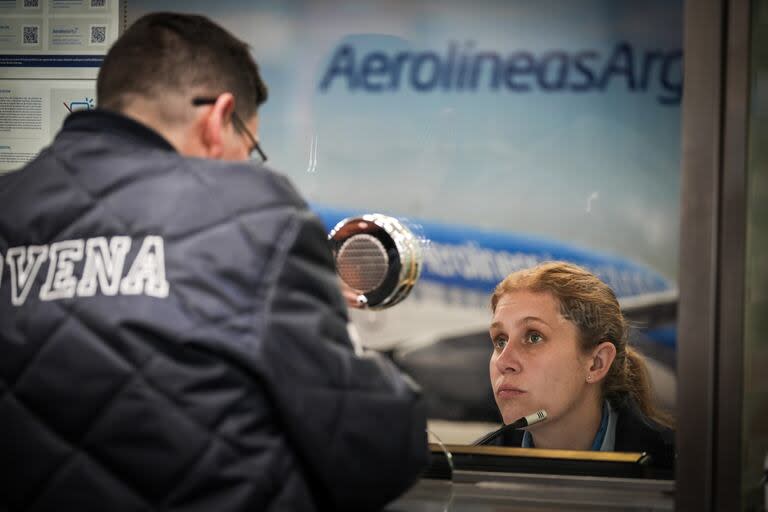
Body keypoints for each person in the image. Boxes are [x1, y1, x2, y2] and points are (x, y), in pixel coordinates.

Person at [0, 12, 427, 512]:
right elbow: (372, 449)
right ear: (216, 117)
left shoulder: (9, 201)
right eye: (248, 149)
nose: (245, 167)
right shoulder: (251, 211)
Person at [477, 261, 675, 470]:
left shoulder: (683, 472)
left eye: (534, 337)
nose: (503, 361)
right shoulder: (471, 470)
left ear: (596, 363)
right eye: (500, 341)